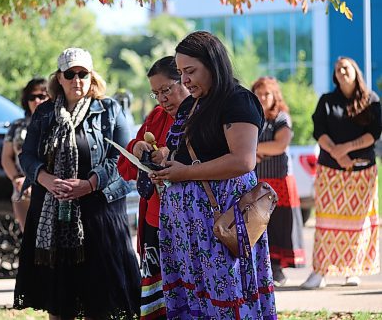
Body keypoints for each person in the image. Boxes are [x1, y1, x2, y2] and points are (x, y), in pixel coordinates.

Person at [150, 31, 277, 319]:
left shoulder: (237, 100)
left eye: (191, 71)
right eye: (181, 73)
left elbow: (243, 161)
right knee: (195, 295)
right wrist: (165, 165)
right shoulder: (190, 105)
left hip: (222, 218)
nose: (185, 80)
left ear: (213, 63)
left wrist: (185, 174)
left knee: (227, 291)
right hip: (187, 227)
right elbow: (181, 153)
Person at [13, 47, 141, 319]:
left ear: (92, 76)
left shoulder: (109, 109)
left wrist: (90, 183)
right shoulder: (45, 112)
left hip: (98, 213)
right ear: (58, 78)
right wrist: (46, 180)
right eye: (70, 74)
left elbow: (122, 156)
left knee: (99, 297)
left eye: (83, 73)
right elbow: (27, 155)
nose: (77, 80)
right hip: (52, 212)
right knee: (59, 297)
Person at [118, 56, 190, 319]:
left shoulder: (200, 115)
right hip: (154, 218)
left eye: (167, 89)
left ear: (185, 80)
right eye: (156, 93)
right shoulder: (156, 117)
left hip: (189, 220)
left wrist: (169, 159)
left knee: (187, 294)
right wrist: (136, 147)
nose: (162, 98)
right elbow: (125, 167)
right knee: (156, 301)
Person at [300, 56, 381, 289]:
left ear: (356, 72)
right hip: (330, 172)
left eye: (345, 68)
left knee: (358, 223)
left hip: (363, 173)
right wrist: (337, 154)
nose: (341, 72)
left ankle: (352, 271)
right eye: (337, 69)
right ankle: (320, 272)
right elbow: (319, 131)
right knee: (325, 222)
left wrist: (345, 149)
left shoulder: (371, 100)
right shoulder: (327, 101)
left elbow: (373, 134)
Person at [251, 76, 306, 287]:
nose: (263, 98)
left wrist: (254, 150)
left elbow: (280, 145)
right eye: (259, 93)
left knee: (279, 225)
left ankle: (277, 270)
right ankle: (261, 269)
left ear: (275, 95)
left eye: (267, 93)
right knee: (257, 225)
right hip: (257, 181)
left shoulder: (281, 117)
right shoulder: (252, 117)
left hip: (279, 181)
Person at [1, 78, 49, 232]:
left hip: (49, 192)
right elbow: (6, 157)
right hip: (22, 191)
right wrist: (16, 178)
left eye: (41, 96)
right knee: (28, 237)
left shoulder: (58, 123)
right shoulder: (17, 126)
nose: (36, 101)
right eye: (32, 97)